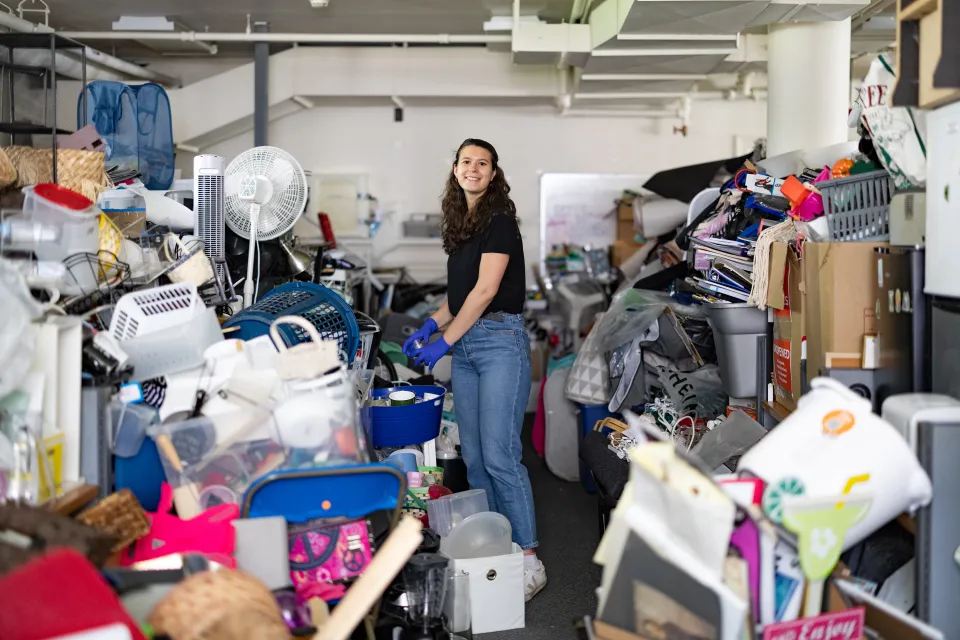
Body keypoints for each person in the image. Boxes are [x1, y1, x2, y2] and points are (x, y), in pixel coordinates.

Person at [403, 138, 546, 601]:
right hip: (467, 349)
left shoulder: (501, 222)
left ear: (493, 173)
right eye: (467, 161)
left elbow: (485, 293)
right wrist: (430, 324)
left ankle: (529, 558)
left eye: (482, 163)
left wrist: (443, 341)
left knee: (503, 456)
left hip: (499, 342)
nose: (473, 168)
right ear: (456, 169)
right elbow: (460, 298)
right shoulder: (463, 226)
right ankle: (496, 545)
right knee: (477, 458)